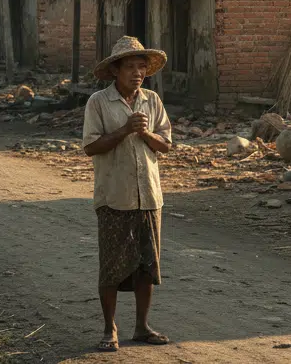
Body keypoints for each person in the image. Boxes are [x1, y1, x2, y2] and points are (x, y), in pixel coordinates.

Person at [82, 36, 173, 351]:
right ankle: (110, 329)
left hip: (148, 197)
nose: (138, 73)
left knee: (146, 266)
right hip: (114, 197)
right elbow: (91, 147)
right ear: (115, 70)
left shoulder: (152, 100)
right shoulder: (98, 102)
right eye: (131, 67)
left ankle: (142, 327)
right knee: (111, 267)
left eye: (142, 67)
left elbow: (166, 144)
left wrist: (145, 132)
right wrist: (124, 130)